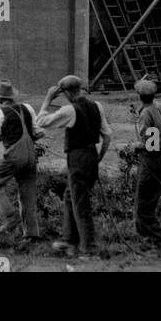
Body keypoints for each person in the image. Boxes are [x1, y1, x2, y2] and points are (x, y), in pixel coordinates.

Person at [35, 74, 112, 259]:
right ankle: (69, 241)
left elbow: (40, 123)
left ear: (67, 93)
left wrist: (47, 99)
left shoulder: (69, 110)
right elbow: (107, 135)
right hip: (92, 155)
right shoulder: (97, 106)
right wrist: (98, 157)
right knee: (71, 196)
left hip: (78, 157)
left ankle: (89, 249)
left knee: (80, 204)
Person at [0, 78, 43, 249]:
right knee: (27, 195)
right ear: (12, 97)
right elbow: (38, 133)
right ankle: (32, 235)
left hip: (14, 155)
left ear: (0, 98)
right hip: (31, 155)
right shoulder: (28, 108)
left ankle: (10, 217)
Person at [133, 78, 161, 245]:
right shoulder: (158, 108)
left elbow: (151, 145)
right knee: (150, 200)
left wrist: (137, 147)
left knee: (143, 204)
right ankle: (150, 239)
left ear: (139, 96)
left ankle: (156, 239)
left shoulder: (146, 114)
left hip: (152, 159)